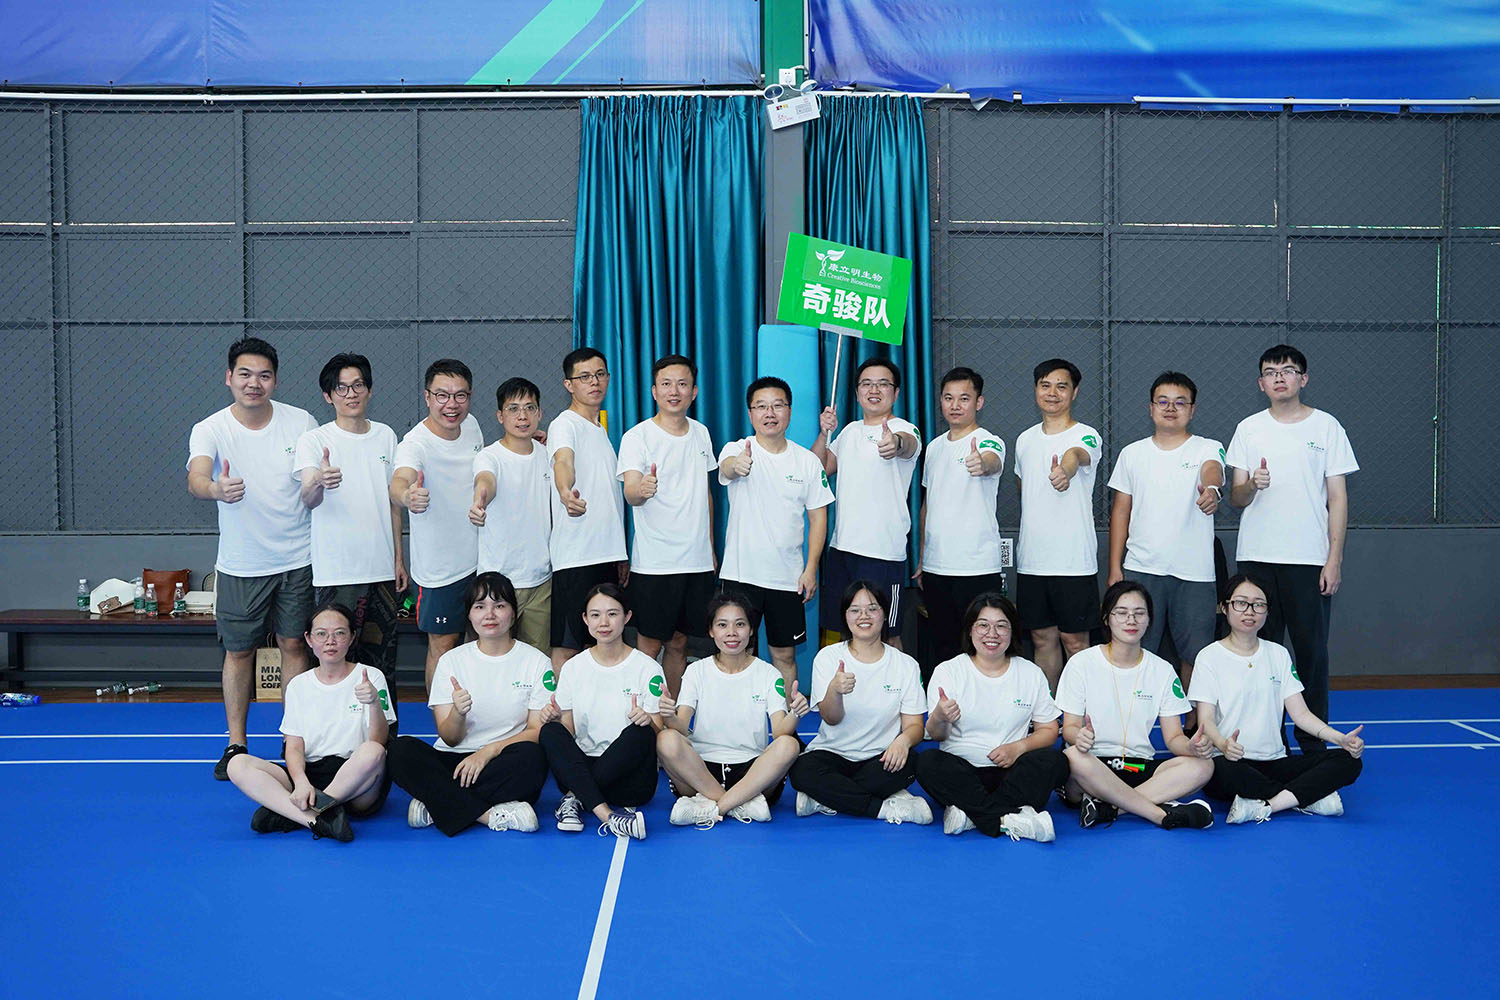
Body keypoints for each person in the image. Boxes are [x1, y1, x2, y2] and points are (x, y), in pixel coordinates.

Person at [187, 336, 317, 780]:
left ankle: (293, 740)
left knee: (294, 645)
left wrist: (319, 482)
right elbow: (196, 477)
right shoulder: (210, 428)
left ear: (275, 381)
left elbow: (311, 479)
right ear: (229, 378)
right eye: (244, 374)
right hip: (242, 564)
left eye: (263, 375)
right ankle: (236, 744)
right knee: (239, 652)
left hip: (298, 558)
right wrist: (215, 489)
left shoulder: (301, 421)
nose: (253, 383)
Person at [1227, 344, 1358, 754]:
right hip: (1257, 560)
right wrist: (1253, 485)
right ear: (1261, 383)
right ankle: (1262, 742)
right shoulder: (1248, 428)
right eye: (1271, 372)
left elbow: (1337, 498)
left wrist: (1333, 559)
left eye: (1287, 370)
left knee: (1310, 655)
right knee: (1257, 654)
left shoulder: (1327, 427)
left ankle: (1314, 745)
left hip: (1308, 560)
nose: (1279, 377)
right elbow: (1236, 496)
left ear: (1303, 379)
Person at [1188, 573, 1365, 824]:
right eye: (1241, 603)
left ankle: (1268, 805)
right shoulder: (1209, 657)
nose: (1250, 611)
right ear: (1224, 607)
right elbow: (1205, 719)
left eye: (1258, 605)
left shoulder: (1278, 654)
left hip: (1277, 762)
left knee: (1349, 762)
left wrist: (1339, 739)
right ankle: (1306, 796)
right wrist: (1223, 744)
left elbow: (1301, 715)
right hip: (1232, 761)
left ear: (1267, 611)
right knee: (1218, 774)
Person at [387, 572, 552, 835]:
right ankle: (488, 814)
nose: (490, 614)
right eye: (480, 606)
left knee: (534, 758)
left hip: (500, 758)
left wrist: (488, 752)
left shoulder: (536, 661)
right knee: (399, 751)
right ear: (469, 615)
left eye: (499, 605)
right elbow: (450, 738)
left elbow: (536, 730)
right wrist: (458, 713)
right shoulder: (451, 661)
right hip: (453, 761)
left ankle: (436, 803)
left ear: (513, 613)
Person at [226, 602, 394, 842]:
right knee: (237, 764)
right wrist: (301, 782)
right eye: (321, 634)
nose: (330, 641)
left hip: (357, 778)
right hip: (310, 773)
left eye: (339, 633)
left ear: (351, 637)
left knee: (374, 751)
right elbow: (294, 746)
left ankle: (294, 812)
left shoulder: (371, 676)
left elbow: (379, 740)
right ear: (309, 639)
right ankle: (317, 818)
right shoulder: (298, 685)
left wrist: (374, 702)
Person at [1055, 581, 1215, 831]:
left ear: (1149, 620)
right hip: (1093, 764)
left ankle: (1109, 808)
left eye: (1139, 613)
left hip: (1137, 765)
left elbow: (1173, 738)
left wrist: (1191, 747)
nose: (1131, 620)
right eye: (1121, 613)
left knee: (1203, 765)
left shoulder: (1162, 670)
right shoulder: (1081, 663)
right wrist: (1080, 737)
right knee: (1073, 756)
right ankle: (1158, 814)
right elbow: (1070, 728)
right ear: (1107, 618)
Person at [296, 352, 406, 711]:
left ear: (369, 390)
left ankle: (384, 737)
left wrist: (398, 559)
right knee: (334, 664)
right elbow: (308, 498)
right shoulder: (314, 440)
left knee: (382, 664)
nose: (351, 393)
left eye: (358, 385)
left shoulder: (386, 436)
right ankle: (332, 735)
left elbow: (393, 501)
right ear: (328, 396)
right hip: (337, 574)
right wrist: (319, 481)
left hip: (381, 573)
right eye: (341, 388)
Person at [915, 593, 1067, 841]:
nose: (992, 634)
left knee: (1055, 761)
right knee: (927, 762)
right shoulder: (949, 671)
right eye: (983, 625)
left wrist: (1018, 747)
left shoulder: (1030, 673)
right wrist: (940, 717)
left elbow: (1049, 730)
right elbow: (936, 735)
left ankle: (972, 814)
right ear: (970, 630)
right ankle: (1007, 819)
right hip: (963, 772)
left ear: (1012, 631)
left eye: (1001, 626)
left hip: (1012, 771)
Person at [1106, 371, 1224, 687]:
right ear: (1151, 408)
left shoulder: (1208, 447)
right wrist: (1115, 567)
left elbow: (1213, 471)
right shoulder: (1132, 453)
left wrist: (1212, 489)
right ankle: (1136, 717)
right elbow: (1121, 511)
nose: (1171, 408)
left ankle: (1193, 718)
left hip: (1194, 573)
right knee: (1135, 651)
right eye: (1163, 401)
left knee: (1196, 657)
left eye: (1180, 402)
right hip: (1142, 569)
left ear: (1192, 410)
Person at [717, 376, 835, 689]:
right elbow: (727, 467)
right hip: (741, 575)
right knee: (737, 653)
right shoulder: (737, 449)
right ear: (750, 413)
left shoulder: (807, 461)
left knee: (784, 655)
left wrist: (810, 569)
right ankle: (741, 716)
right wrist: (737, 465)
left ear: (789, 411)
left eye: (778, 405)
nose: (770, 413)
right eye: (761, 406)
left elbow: (819, 518)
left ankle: (786, 715)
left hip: (788, 578)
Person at [655, 591, 809, 827]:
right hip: (700, 772)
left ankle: (715, 808)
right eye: (722, 625)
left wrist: (795, 713)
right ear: (711, 631)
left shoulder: (768, 673)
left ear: (751, 630)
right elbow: (681, 727)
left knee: (789, 745)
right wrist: (668, 716)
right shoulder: (696, 671)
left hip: (753, 773)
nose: (732, 632)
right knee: (666, 739)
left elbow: (779, 731)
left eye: (740, 624)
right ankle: (742, 804)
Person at [788, 581, 931, 825]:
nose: (864, 616)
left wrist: (903, 741)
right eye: (855, 610)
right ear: (845, 617)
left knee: (911, 763)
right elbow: (832, 718)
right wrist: (834, 690)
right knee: (802, 770)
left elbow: (915, 725)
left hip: (881, 758)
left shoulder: (906, 665)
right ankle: (882, 808)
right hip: (832, 754)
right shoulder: (828, 657)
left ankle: (825, 798)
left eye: (872, 609)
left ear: (884, 614)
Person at [618, 355, 717, 696]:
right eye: (666, 384)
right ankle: (641, 714)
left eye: (682, 384)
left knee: (679, 642)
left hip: (697, 561)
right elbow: (631, 492)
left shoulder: (701, 433)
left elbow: (705, 493)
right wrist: (641, 490)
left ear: (694, 391)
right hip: (655, 563)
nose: (674, 391)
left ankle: (670, 712)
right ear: (654, 391)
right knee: (648, 644)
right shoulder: (637, 436)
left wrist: (710, 548)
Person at [537, 584, 663, 839]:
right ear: (585, 619)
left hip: (629, 781)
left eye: (612, 614)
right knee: (550, 731)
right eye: (595, 615)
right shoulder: (573, 667)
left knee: (642, 732)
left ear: (627, 617)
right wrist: (555, 719)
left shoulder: (647, 667)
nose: (604, 622)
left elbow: (659, 732)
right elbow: (569, 728)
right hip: (581, 768)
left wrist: (648, 720)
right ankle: (609, 817)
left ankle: (574, 798)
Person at [812, 358, 921, 648]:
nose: (874, 390)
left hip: (883, 553)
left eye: (883, 384)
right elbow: (820, 469)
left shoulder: (905, 429)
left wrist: (894, 443)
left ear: (896, 393)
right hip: (842, 549)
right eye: (867, 384)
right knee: (842, 631)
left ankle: (898, 680)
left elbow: (906, 444)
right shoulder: (849, 431)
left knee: (888, 633)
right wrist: (823, 433)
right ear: (857, 392)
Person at [391, 359, 483, 691]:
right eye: (442, 395)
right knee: (443, 647)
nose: (451, 405)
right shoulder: (414, 444)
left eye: (460, 395)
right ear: (427, 397)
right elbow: (399, 482)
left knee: (481, 644)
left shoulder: (472, 426)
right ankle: (441, 720)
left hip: (481, 560)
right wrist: (407, 495)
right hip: (440, 572)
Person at [1014, 358, 1102, 691]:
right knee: (1041, 638)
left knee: (1075, 641)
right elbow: (1024, 487)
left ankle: (1083, 709)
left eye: (1061, 386)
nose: (1053, 393)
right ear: (1036, 390)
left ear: (1074, 392)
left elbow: (1077, 455)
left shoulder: (1087, 435)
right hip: (1033, 561)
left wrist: (1064, 471)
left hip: (1073, 561)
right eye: (1045, 385)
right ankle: (1048, 711)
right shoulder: (1024, 440)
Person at [916, 366, 1006, 676]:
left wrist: (982, 462)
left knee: (980, 648)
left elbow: (992, 461)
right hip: (936, 567)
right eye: (948, 398)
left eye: (964, 398)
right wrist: (923, 556)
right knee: (944, 647)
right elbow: (928, 505)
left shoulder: (989, 441)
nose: (955, 405)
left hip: (976, 567)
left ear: (978, 402)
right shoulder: (934, 447)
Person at [547, 348, 628, 670]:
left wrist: (620, 554)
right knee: (568, 647)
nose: (594, 382)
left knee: (601, 645)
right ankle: (561, 705)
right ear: (569, 385)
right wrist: (565, 491)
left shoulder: (600, 430)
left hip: (606, 555)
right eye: (584, 377)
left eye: (599, 374)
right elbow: (562, 461)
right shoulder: (564, 425)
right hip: (576, 557)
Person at [471, 377, 553, 654]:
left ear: (539, 413)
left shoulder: (548, 455)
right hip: (497, 583)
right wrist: (480, 498)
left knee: (538, 659)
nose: (522, 416)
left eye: (530, 408)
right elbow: (485, 481)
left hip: (540, 581)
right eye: (513, 409)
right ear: (500, 415)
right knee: (491, 657)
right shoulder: (489, 457)